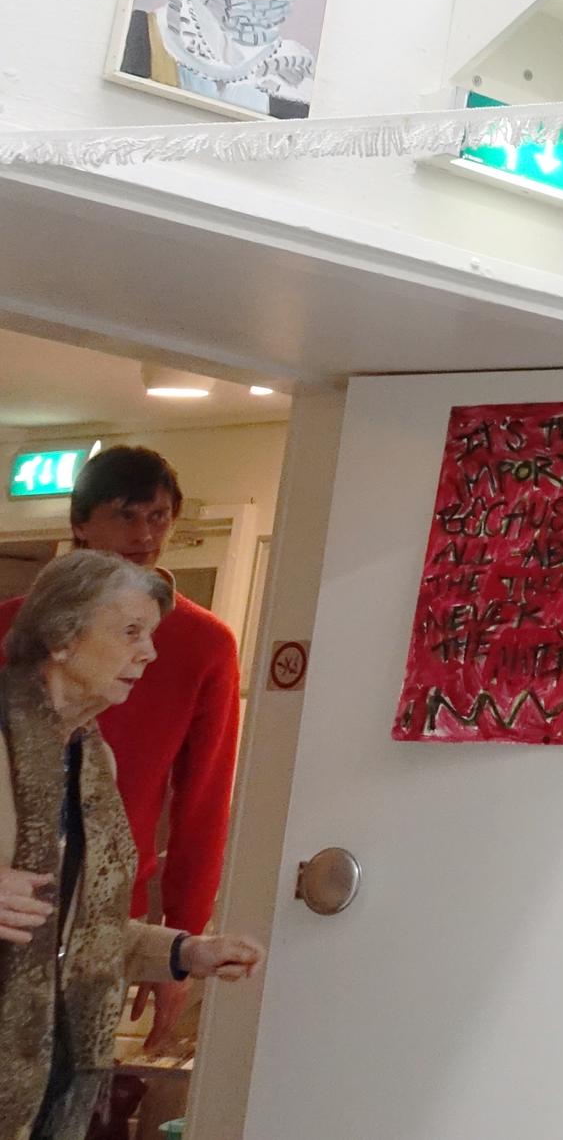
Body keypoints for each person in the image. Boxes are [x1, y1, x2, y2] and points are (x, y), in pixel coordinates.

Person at [0, 551, 262, 1135]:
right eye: (130, 632)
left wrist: (186, 951)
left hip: (44, 1078)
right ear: (62, 638)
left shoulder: (91, 761)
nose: (149, 652)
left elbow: (81, 929)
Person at [0, 448, 243, 1054]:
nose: (144, 535)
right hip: (19, 908)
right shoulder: (13, 628)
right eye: (126, 516)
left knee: (71, 1077)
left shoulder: (204, 644)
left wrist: (181, 940)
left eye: (158, 518)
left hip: (105, 913)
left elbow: (203, 802)